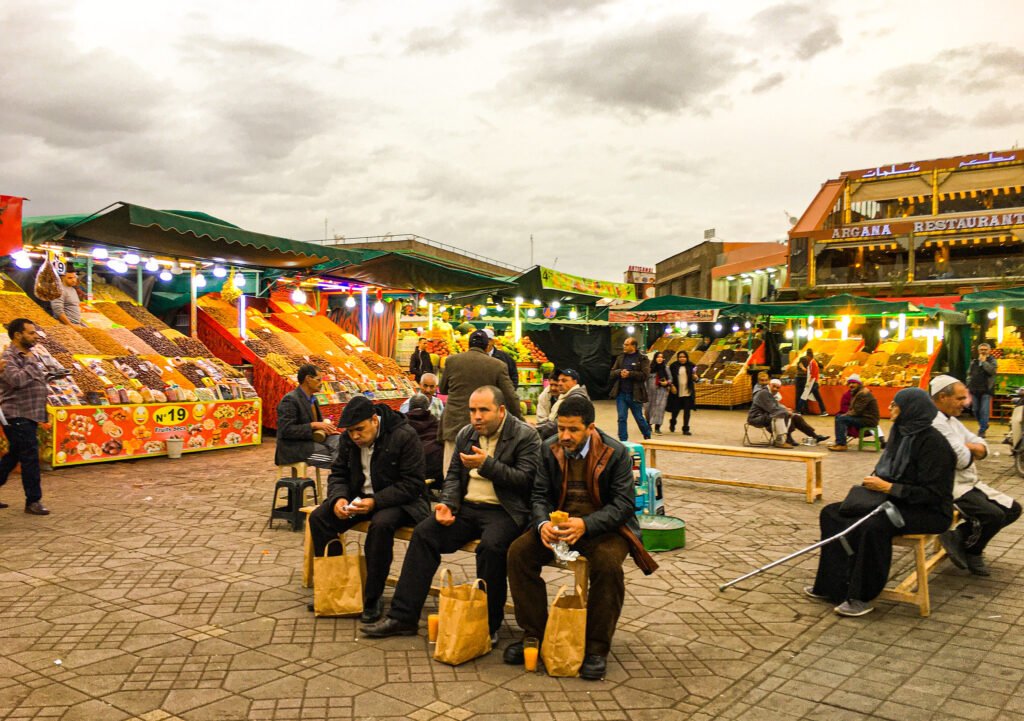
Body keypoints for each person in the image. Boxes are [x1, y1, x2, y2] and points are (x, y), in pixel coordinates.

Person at [362, 385, 542, 642]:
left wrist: (487, 465)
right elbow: (454, 477)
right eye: (472, 410)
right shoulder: (466, 434)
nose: (476, 417)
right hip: (468, 508)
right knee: (425, 533)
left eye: (483, 410)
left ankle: (487, 624)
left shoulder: (524, 436)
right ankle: (403, 617)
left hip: (505, 511)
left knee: (491, 548)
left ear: (501, 411)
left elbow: (526, 481)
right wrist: (447, 503)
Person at [504, 395, 657, 680]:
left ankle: (596, 647)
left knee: (608, 566)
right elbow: (539, 495)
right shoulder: (548, 449)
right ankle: (534, 635)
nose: (565, 436)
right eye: (561, 428)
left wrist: (586, 524)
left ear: (590, 428)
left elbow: (623, 505)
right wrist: (541, 525)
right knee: (518, 553)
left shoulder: (616, 453)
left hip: (605, 528)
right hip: (560, 525)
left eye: (573, 429)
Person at [806, 388, 956, 616]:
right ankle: (832, 585)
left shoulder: (934, 445)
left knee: (872, 527)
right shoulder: (900, 433)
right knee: (832, 513)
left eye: (895, 405)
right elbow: (888, 470)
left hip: (929, 511)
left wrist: (889, 488)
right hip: (893, 501)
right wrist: (875, 483)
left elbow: (934, 494)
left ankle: (862, 596)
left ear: (911, 409)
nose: (890, 408)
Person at [307, 395, 430, 622]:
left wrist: (376, 501)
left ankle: (373, 596)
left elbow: (413, 484)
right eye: (351, 431)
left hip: (401, 501)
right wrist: (339, 499)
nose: (355, 436)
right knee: (319, 518)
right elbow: (339, 474)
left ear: (375, 420)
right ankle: (336, 589)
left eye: (360, 430)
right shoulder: (348, 439)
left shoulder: (403, 435)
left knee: (381, 525)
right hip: (360, 498)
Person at [930, 375, 1021, 576]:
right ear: (943, 397)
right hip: (949, 486)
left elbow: (981, 446)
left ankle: (960, 537)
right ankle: (973, 550)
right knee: (993, 515)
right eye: (960, 399)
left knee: (1013, 509)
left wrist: (970, 448)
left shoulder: (951, 420)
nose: (965, 404)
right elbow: (962, 458)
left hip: (967, 481)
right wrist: (973, 449)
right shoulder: (935, 423)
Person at [438, 330, 521, 474]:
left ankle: (449, 495)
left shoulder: (451, 361)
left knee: (451, 471)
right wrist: (520, 420)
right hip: (484, 426)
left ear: (468, 344)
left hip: (454, 424)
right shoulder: (497, 365)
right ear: (487, 346)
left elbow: (443, 389)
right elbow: (510, 397)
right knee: (480, 470)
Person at [0, 319, 50, 514]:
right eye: (30, 333)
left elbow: (35, 378)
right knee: (29, 455)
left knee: (14, 455)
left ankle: (33, 500)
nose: (35, 336)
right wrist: (30, 361)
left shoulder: (30, 356)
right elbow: (17, 380)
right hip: (16, 413)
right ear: (18, 335)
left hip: (29, 413)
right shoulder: (9, 357)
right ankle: (33, 501)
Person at [275, 364, 340, 469]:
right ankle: (341, 478)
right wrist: (313, 425)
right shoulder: (290, 400)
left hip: (310, 441)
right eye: (318, 380)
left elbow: (318, 426)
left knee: (341, 442)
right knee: (340, 460)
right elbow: (285, 430)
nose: (321, 384)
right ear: (308, 379)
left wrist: (326, 429)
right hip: (295, 448)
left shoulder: (313, 399)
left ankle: (342, 477)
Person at [747, 372, 827, 448]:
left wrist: (785, 409)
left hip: (766, 415)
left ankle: (814, 436)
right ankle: (781, 441)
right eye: (773, 386)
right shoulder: (762, 392)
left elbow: (776, 405)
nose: (775, 389)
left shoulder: (769, 392)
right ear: (769, 384)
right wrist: (785, 411)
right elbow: (772, 409)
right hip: (757, 417)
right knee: (781, 415)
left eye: (777, 388)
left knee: (795, 416)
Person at [609, 337, 651, 441]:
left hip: (635, 394)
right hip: (621, 394)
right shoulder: (620, 358)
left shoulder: (643, 359)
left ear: (633, 346)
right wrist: (620, 372)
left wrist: (630, 374)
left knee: (639, 418)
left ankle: (647, 435)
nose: (624, 346)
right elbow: (612, 372)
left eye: (626, 344)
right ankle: (623, 440)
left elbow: (645, 375)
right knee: (621, 418)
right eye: (624, 344)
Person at [828, 377, 880, 452]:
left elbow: (857, 411)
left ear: (859, 384)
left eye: (853, 383)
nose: (851, 385)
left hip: (868, 420)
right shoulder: (858, 392)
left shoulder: (863, 394)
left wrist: (845, 415)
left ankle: (841, 444)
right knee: (839, 417)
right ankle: (839, 442)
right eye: (849, 383)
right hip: (864, 417)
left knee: (841, 419)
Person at [535, 368, 590, 439]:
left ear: (574, 382)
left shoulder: (576, 399)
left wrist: (538, 429)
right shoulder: (561, 395)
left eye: (564, 381)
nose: (560, 383)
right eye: (559, 380)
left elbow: (561, 423)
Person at [405, 394, 444, 486]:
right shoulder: (436, 423)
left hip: (409, 471)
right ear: (427, 407)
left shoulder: (402, 423)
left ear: (410, 407)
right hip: (435, 471)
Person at [967, 343, 996, 438]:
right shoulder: (974, 361)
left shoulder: (992, 361)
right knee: (975, 410)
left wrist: (984, 362)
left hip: (986, 390)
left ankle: (982, 430)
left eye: (985, 349)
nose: (983, 351)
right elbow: (969, 374)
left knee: (984, 411)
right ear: (978, 351)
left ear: (989, 351)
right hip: (974, 389)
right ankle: (984, 425)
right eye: (981, 349)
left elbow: (992, 371)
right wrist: (968, 385)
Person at [667, 350, 697, 435]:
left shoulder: (691, 366)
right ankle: (672, 422)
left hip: (688, 392)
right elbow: (670, 378)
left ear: (687, 357)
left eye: (684, 357)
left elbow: (696, 378)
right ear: (678, 358)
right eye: (680, 357)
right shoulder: (673, 366)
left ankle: (685, 429)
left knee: (687, 412)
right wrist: (671, 385)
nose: (682, 359)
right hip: (677, 392)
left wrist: (695, 377)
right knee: (675, 411)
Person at [644, 351, 672, 435]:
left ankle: (657, 427)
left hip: (662, 392)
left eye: (661, 357)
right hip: (650, 392)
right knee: (648, 409)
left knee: (660, 409)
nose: (659, 359)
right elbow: (645, 380)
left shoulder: (666, 368)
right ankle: (648, 425)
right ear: (655, 358)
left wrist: (667, 383)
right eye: (658, 357)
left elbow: (670, 378)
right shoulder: (650, 368)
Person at [796, 348, 828, 416]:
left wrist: (808, 383)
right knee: (818, 397)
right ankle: (824, 411)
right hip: (814, 382)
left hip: (811, 382)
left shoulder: (811, 362)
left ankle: (798, 411)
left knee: (803, 396)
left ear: (808, 355)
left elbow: (811, 374)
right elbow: (812, 371)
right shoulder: (814, 361)